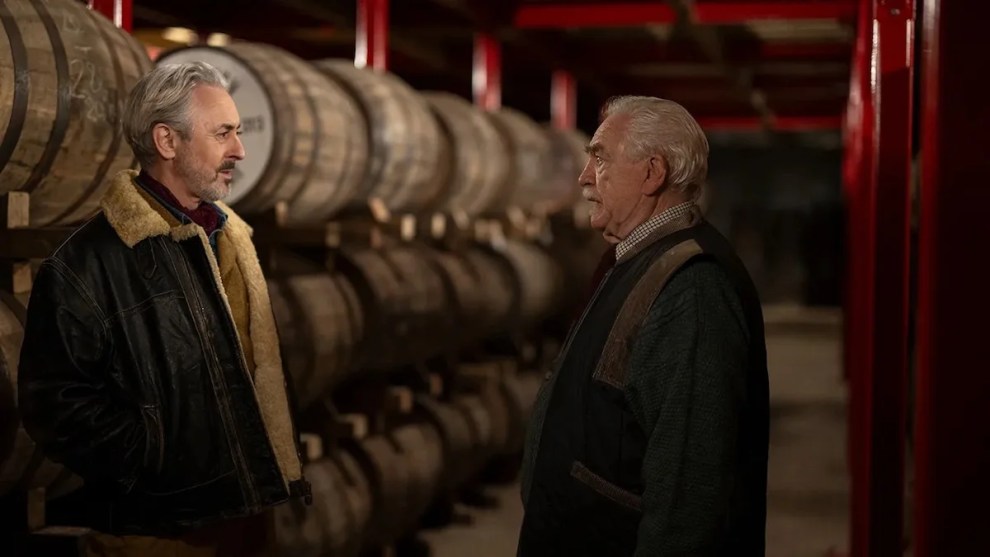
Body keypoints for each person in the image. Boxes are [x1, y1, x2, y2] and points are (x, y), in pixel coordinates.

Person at [17, 61, 309, 556]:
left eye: (238, 131)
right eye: (222, 134)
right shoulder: (88, 263)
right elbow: (54, 405)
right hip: (160, 528)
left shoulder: (230, 237)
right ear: (167, 142)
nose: (239, 150)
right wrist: (158, 455)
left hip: (250, 510)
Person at [518, 96, 769, 556]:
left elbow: (690, 493)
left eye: (600, 157)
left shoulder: (691, 287)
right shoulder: (637, 259)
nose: (584, 177)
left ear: (653, 172)